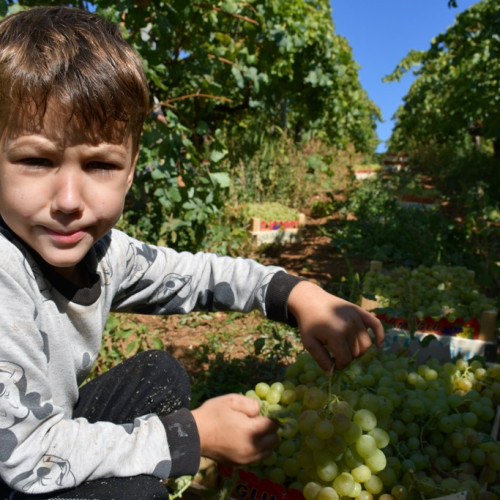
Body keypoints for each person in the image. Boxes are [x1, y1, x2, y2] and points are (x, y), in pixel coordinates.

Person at [0, 5, 384, 498]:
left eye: (100, 166)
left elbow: (195, 276)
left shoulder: (103, 254)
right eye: (36, 160)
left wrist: (295, 293)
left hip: (29, 441)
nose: (69, 201)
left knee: (159, 375)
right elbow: (28, 457)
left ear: (131, 168)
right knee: (134, 494)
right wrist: (192, 436)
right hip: (20, 460)